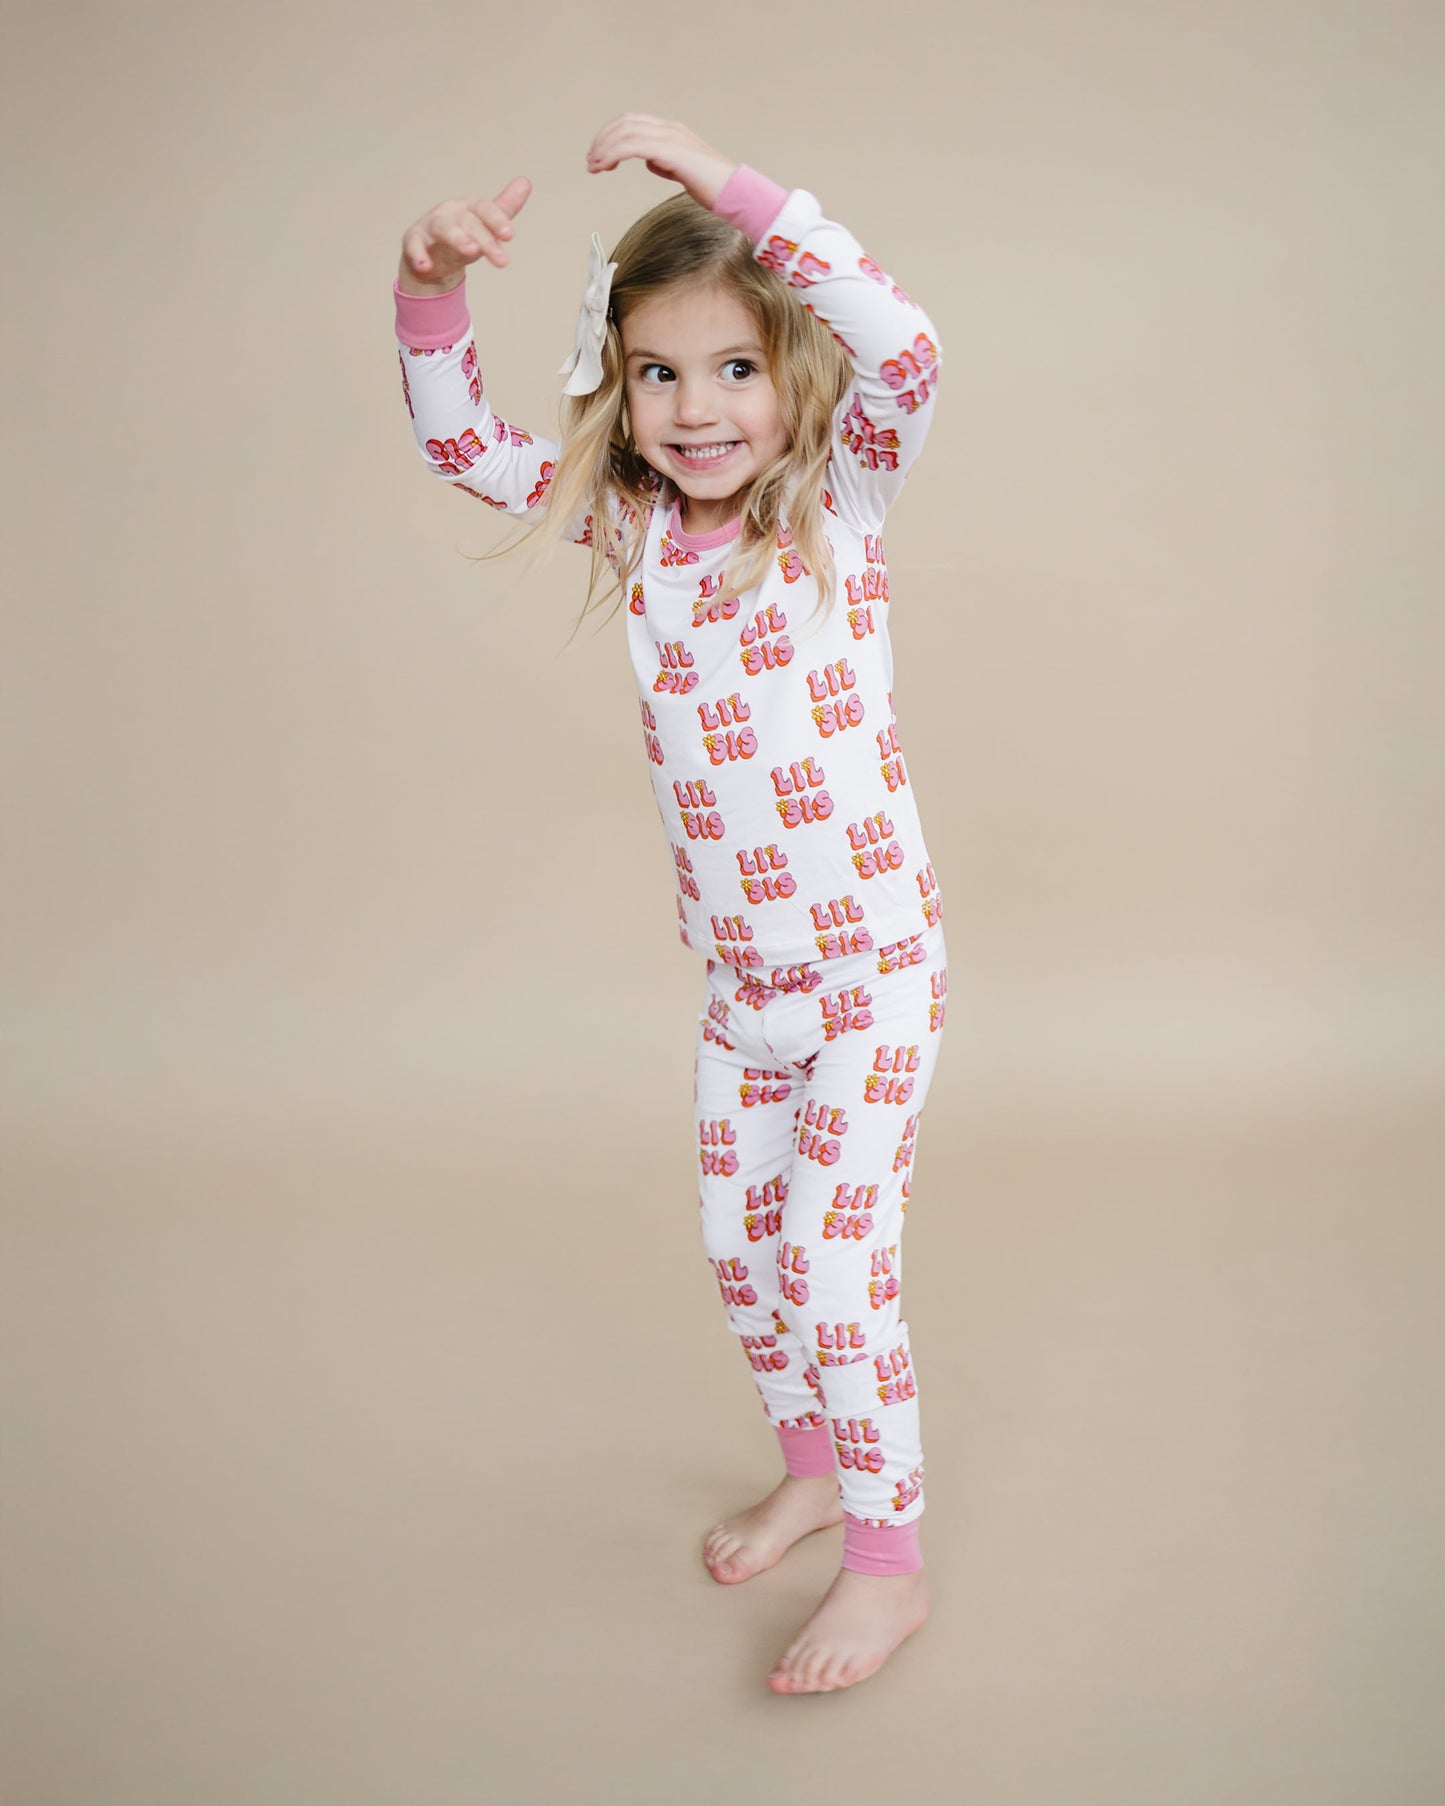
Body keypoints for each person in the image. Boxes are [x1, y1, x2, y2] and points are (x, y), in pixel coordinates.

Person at [394, 114, 949, 1695]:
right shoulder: (634, 524)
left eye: (733, 369)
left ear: (792, 375)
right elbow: (463, 447)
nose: (695, 409)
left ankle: (889, 1562)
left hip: (870, 978)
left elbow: (907, 348)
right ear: (617, 381)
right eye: (656, 372)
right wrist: (426, 287)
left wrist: (735, 190)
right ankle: (812, 1468)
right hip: (742, 989)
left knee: (833, 1268)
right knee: (738, 1248)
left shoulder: (835, 501)